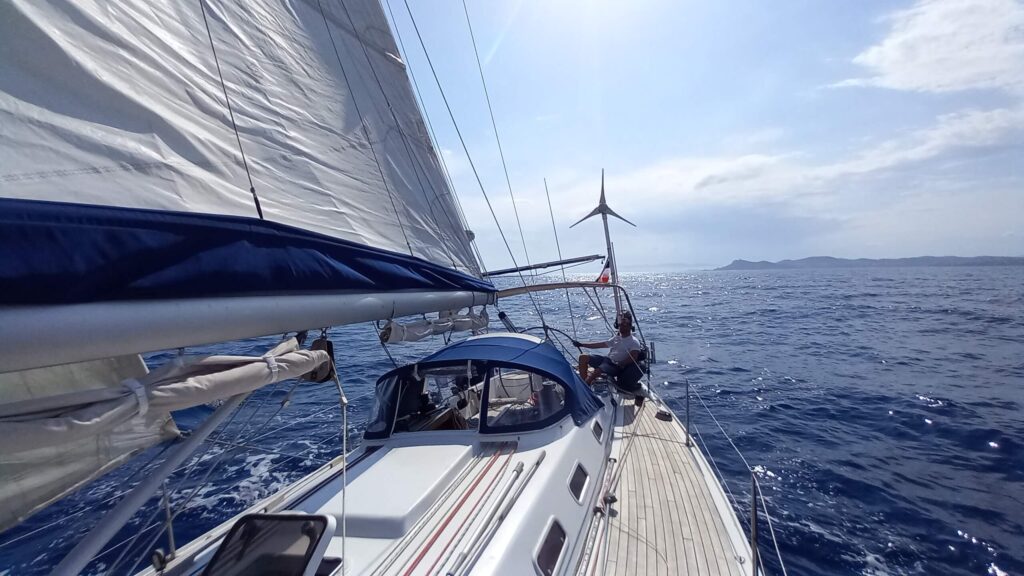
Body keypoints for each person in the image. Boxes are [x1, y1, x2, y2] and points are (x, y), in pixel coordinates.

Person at [572, 311, 642, 384]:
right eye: (620, 325)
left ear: (630, 327)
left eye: (624, 325)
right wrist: (581, 344)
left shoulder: (634, 341)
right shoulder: (617, 338)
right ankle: (584, 382)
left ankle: (586, 384)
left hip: (615, 366)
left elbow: (634, 357)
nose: (621, 327)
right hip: (606, 360)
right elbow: (600, 345)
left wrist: (621, 363)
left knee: (598, 371)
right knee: (583, 357)